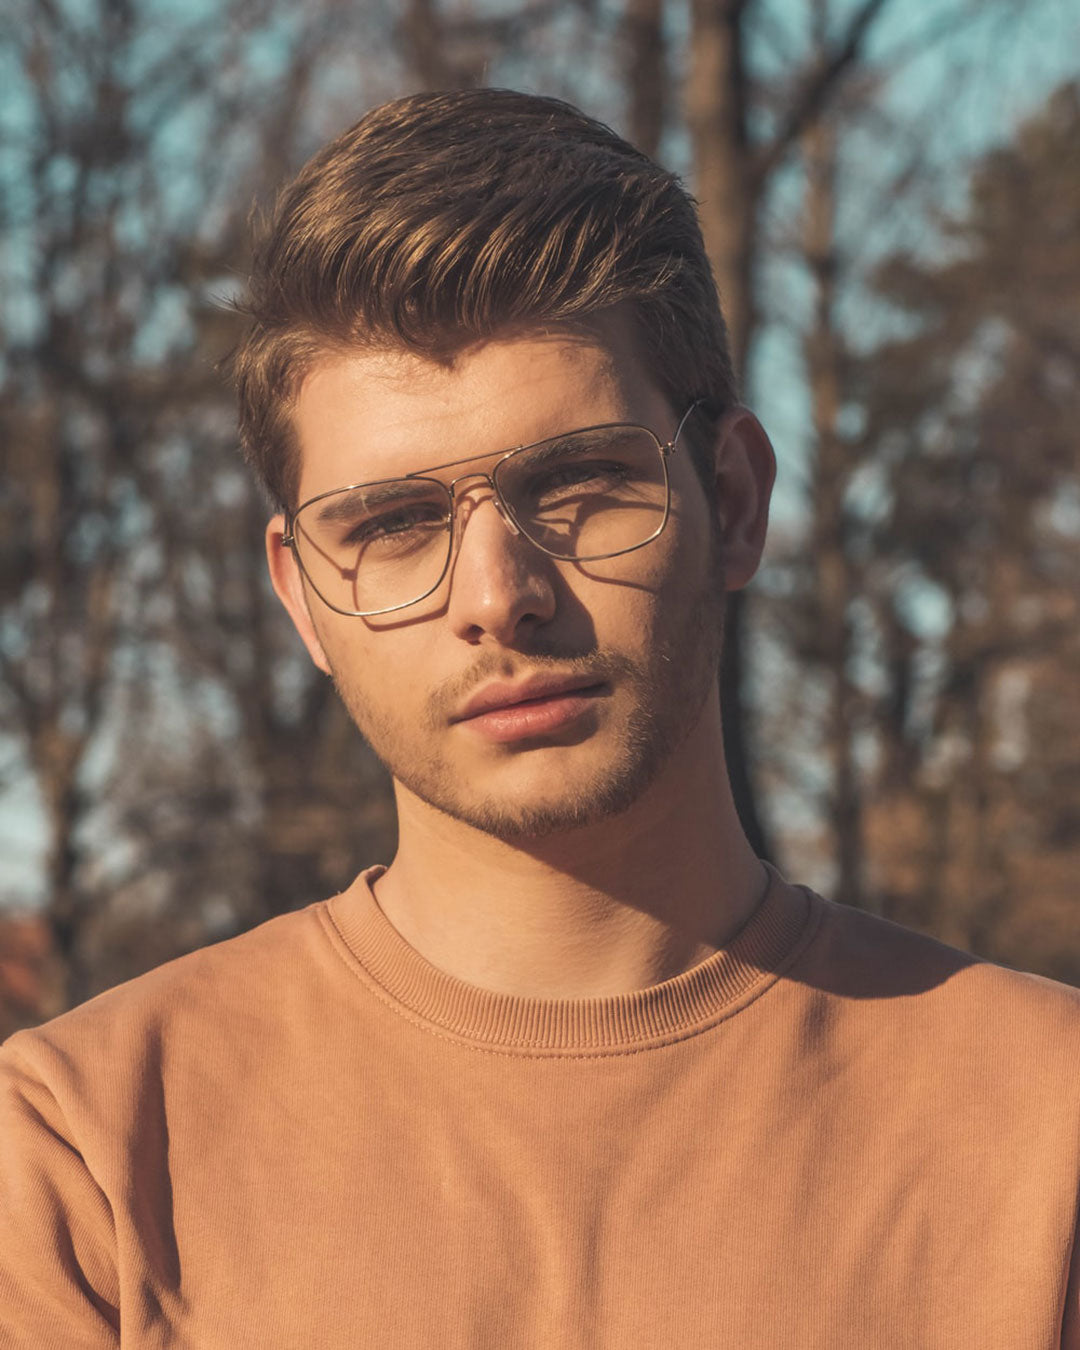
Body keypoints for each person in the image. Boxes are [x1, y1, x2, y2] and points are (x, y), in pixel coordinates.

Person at [1, 87, 1078, 1349]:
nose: (499, 599)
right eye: (394, 525)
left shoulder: (1046, 1130)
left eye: (579, 485)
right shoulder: (82, 1160)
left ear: (731, 499)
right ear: (302, 597)